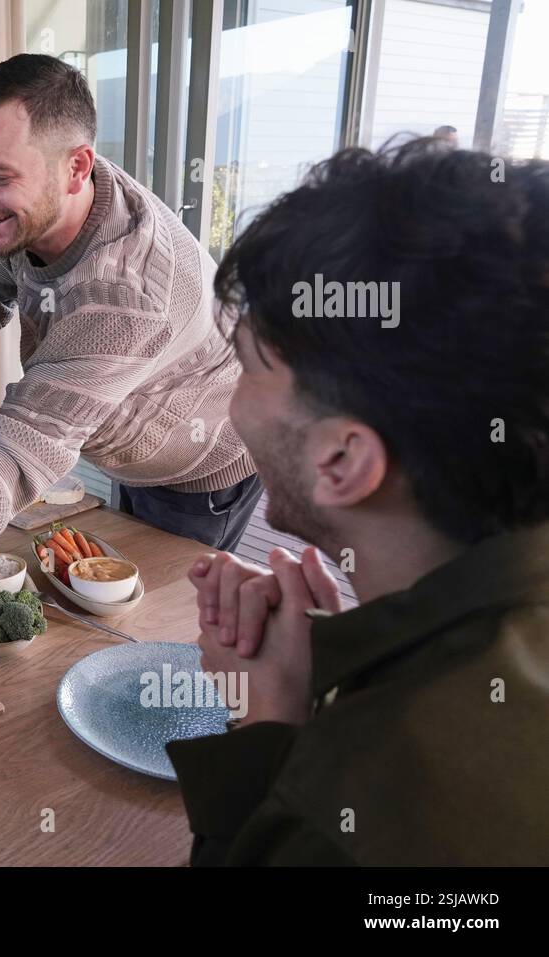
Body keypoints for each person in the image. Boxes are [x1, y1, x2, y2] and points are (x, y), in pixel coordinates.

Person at [170, 139, 549, 864]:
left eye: (246, 365)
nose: (229, 399)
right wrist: (341, 674)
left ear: (343, 461)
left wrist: (269, 726)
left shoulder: (354, 806)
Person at [0, 54, 258, 600]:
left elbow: (15, 460)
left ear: (77, 167)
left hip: (202, 466)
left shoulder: (122, 296)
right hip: (132, 439)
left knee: (158, 619)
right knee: (105, 593)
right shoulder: (51, 197)